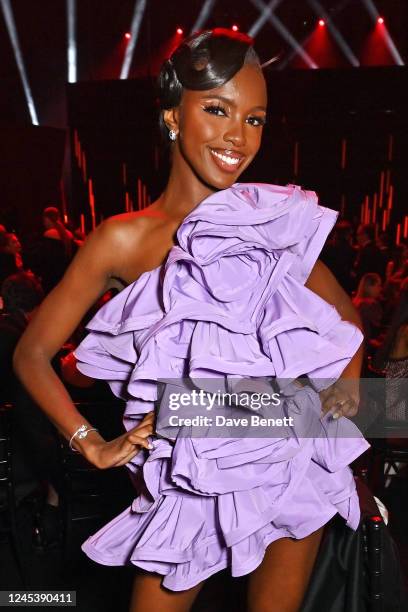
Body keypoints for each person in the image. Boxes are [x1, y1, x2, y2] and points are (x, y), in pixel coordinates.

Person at [14, 29, 369, 612]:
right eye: (217, 109)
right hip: (184, 474)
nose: (238, 136)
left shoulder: (272, 220)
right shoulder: (123, 239)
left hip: (286, 461)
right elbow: (30, 355)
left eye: (254, 119)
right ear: (174, 116)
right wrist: (94, 445)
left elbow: (347, 323)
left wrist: (342, 395)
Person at [352, 272, 383, 348]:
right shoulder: (368, 305)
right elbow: (375, 327)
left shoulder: (355, 301)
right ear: (370, 287)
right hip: (363, 346)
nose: (380, 289)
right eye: (378, 286)